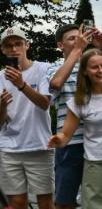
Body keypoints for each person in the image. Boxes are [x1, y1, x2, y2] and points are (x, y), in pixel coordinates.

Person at [47, 23, 102, 209]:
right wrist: (77, 51)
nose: (80, 40)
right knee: (65, 200)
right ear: (60, 45)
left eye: (81, 37)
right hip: (73, 145)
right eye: (72, 38)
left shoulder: (100, 67)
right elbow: (56, 84)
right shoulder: (55, 69)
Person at [0, 27, 53, 209]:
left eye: (18, 44)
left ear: (27, 45)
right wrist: (2, 107)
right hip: (9, 148)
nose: (14, 49)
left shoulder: (43, 69)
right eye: (8, 46)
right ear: (3, 50)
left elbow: (45, 104)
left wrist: (21, 84)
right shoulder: (0, 77)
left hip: (39, 145)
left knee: (45, 202)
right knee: (17, 203)